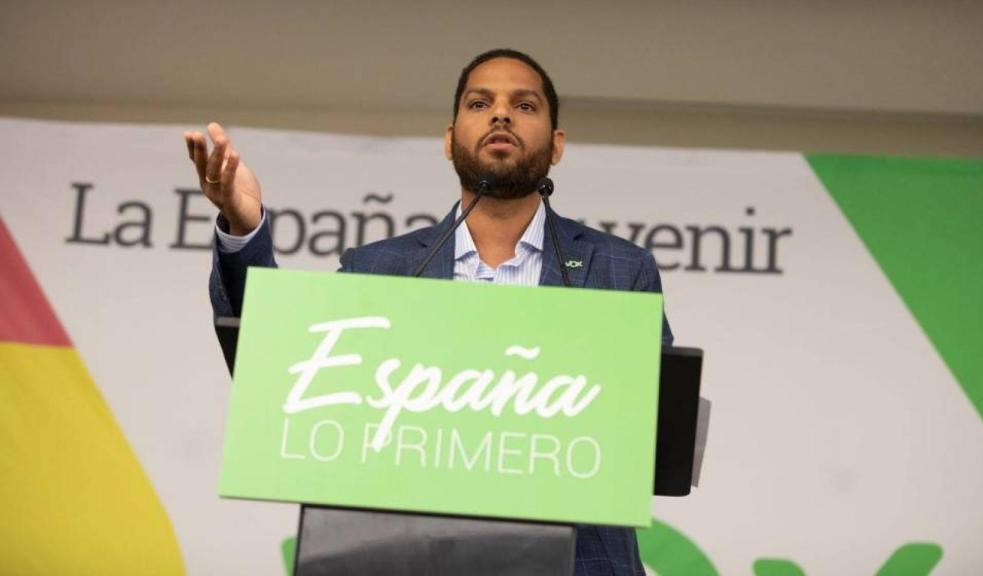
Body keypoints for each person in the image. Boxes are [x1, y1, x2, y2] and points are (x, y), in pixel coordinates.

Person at [186, 48, 673, 576]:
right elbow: (280, 375)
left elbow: (656, 438)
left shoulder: (620, 270)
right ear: (449, 139)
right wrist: (244, 228)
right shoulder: (379, 269)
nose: (501, 114)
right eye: (480, 103)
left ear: (556, 145)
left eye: (524, 105)